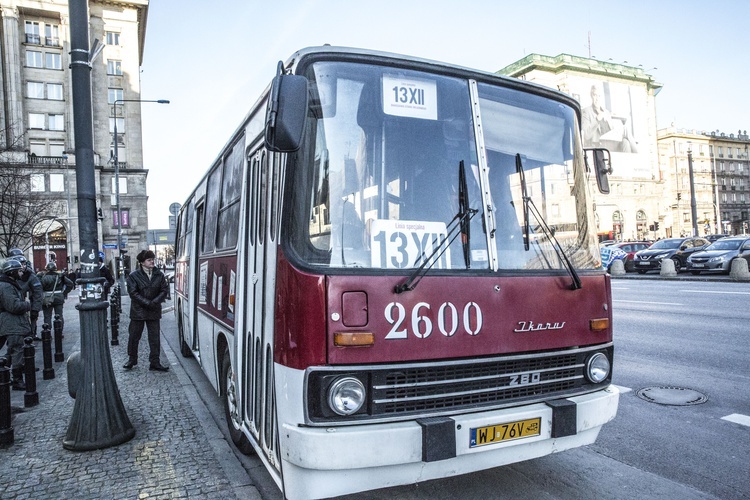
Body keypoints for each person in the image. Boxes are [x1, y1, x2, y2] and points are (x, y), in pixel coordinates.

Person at [124, 249, 170, 372]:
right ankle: (132, 359)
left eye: (152, 260)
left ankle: (155, 362)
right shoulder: (134, 276)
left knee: (154, 338)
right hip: (138, 311)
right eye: (149, 260)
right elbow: (133, 293)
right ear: (142, 262)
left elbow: (164, 290)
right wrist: (147, 303)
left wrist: (154, 302)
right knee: (134, 337)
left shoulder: (159, 274)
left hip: (154, 311)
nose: (152, 262)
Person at [0, 258, 32, 390]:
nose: (21, 273)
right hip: (12, 322)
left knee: (12, 349)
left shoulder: (9, 284)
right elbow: (12, 306)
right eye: (19, 271)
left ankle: (6, 374)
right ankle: (17, 380)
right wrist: (27, 304)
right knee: (17, 349)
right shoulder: (6, 286)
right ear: (11, 272)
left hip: (12, 322)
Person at [8, 249, 43, 341]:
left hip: (25, 303)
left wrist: (35, 308)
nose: (22, 267)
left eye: (23, 264)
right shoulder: (6, 274)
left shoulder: (30, 275)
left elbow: (37, 292)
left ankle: (31, 334)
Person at [38, 261, 74, 333]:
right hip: (59, 297)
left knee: (47, 316)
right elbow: (70, 284)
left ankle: (47, 331)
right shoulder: (60, 276)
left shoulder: (43, 277)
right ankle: (59, 332)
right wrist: (64, 292)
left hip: (47, 298)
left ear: (47, 269)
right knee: (59, 315)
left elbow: (39, 288)